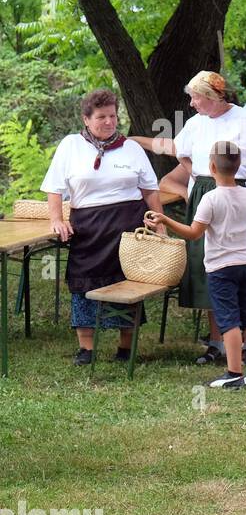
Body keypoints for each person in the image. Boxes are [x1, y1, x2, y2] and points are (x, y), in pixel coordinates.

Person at [130, 71, 246, 366]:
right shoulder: (195, 123)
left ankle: (244, 342)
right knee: (210, 266)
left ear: (212, 96)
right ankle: (217, 341)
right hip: (204, 190)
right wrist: (194, 174)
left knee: (237, 262)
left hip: (236, 190)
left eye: (196, 96)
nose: (192, 102)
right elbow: (179, 150)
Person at [42, 89, 162, 364]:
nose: (109, 122)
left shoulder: (130, 148)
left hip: (129, 228)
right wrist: (57, 219)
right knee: (83, 284)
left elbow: (150, 189)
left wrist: (160, 223)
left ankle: (125, 348)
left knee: (128, 285)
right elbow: (54, 188)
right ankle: (87, 349)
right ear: (86, 119)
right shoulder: (71, 146)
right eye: (101, 117)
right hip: (88, 228)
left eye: (112, 116)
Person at [146, 142, 246, 388]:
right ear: (238, 167)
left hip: (221, 267)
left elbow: (193, 233)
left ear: (212, 167)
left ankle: (234, 373)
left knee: (229, 320)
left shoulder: (210, 199)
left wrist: (166, 220)